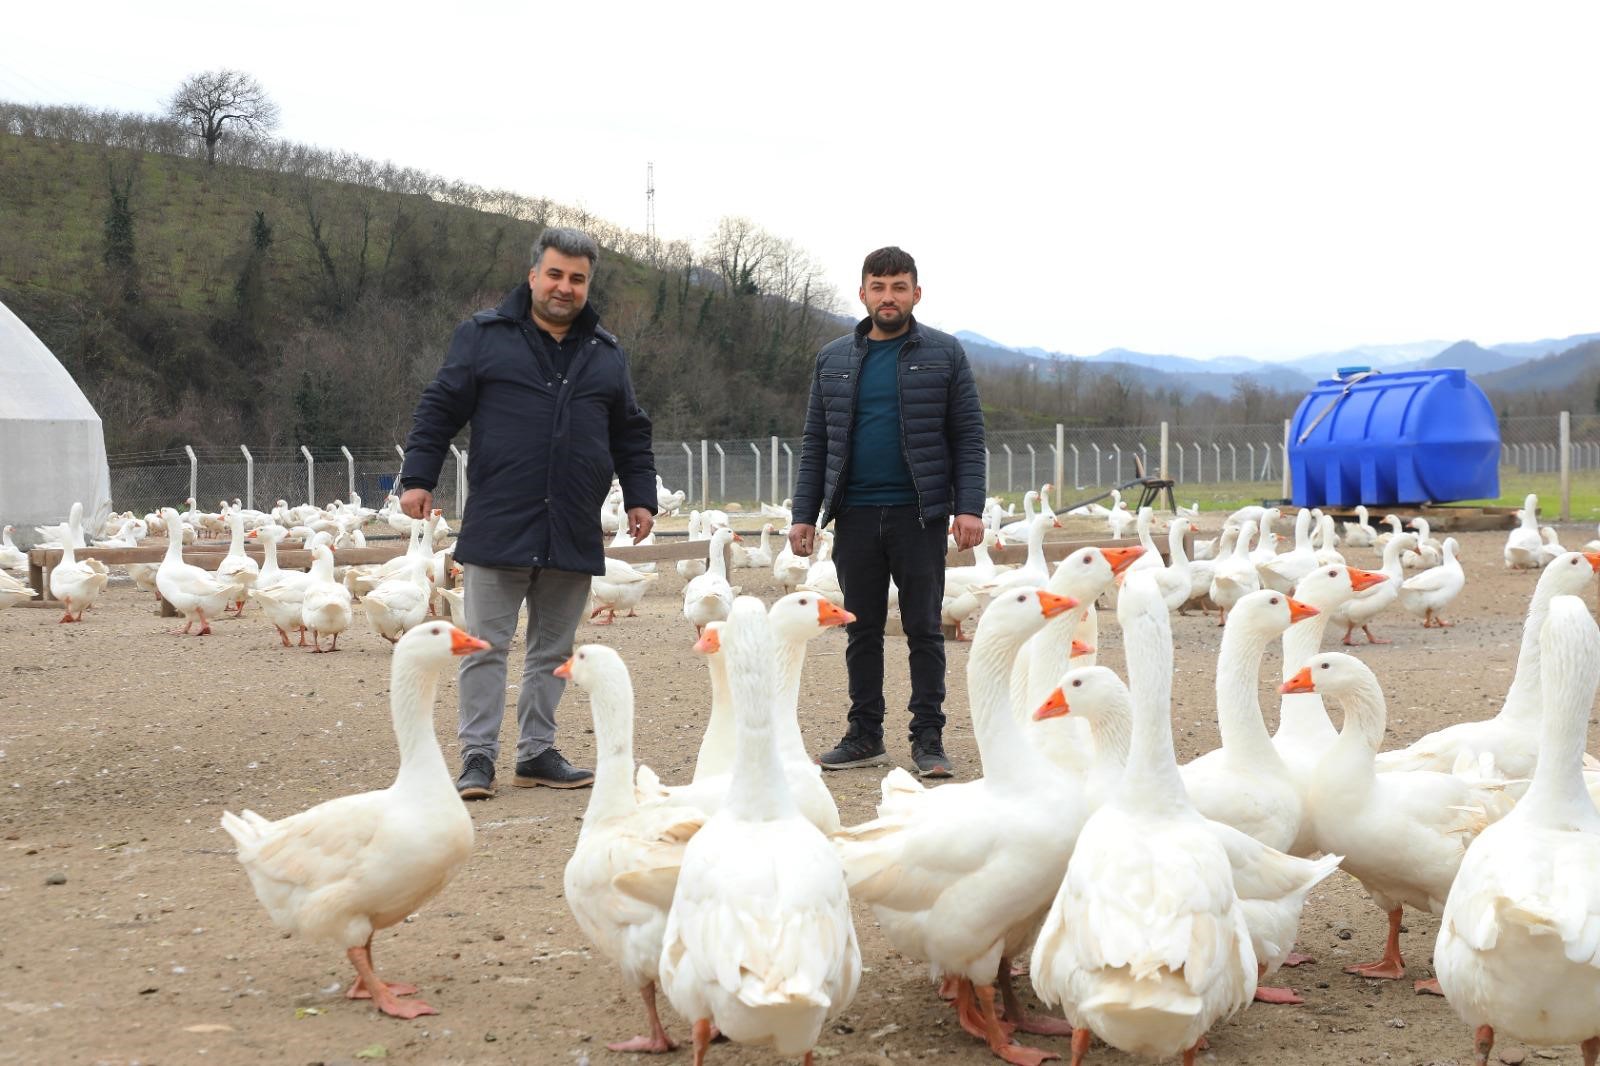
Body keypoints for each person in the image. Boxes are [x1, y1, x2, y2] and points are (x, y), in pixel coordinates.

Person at [398, 227, 657, 800]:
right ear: (534, 274)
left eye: (578, 279)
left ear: (588, 284)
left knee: (554, 651)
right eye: (556, 274)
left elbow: (630, 432)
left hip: (571, 523)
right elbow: (439, 407)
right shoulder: (483, 337)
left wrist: (640, 496)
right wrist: (417, 475)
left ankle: (537, 752)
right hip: (500, 517)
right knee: (484, 647)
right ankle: (477, 758)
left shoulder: (606, 355)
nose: (565, 288)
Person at [789, 246, 986, 778]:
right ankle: (864, 735)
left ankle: (928, 739)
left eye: (899, 287)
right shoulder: (833, 359)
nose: (888, 296)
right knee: (861, 628)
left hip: (918, 515)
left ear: (916, 294)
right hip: (853, 513)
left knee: (924, 627)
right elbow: (815, 443)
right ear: (863, 293)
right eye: (878, 287)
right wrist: (803, 514)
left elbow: (968, 437)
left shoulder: (944, 354)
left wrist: (968, 507)